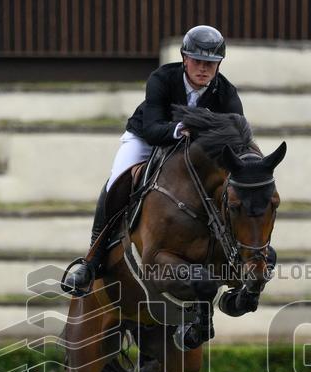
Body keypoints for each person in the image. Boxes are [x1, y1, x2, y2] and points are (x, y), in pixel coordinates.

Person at [61, 25, 245, 295]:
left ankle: (236, 255)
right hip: (147, 139)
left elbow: (237, 135)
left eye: (211, 63)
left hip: (192, 152)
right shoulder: (162, 78)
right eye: (197, 61)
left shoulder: (226, 92)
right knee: (117, 181)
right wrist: (180, 129)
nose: (203, 68)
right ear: (184, 58)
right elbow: (152, 128)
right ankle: (92, 261)